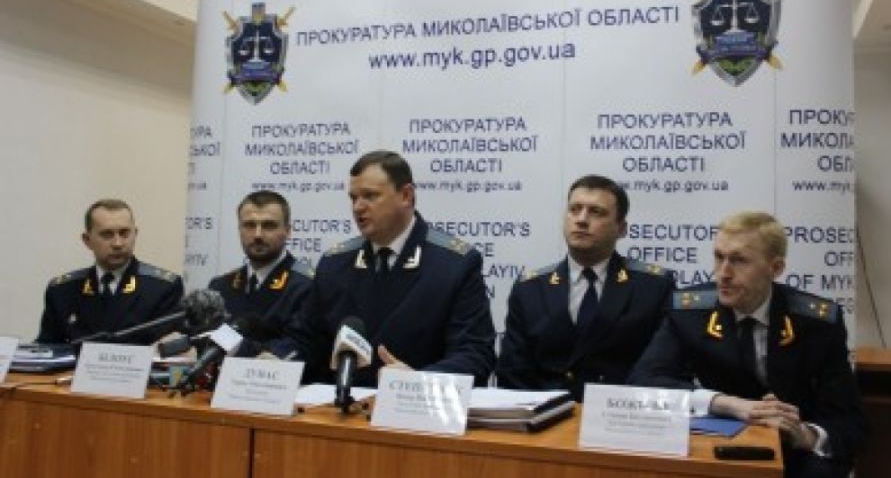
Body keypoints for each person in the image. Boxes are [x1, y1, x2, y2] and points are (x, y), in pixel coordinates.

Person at [629, 211, 866, 478]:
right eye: (719, 257)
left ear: (775, 268)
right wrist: (726, 403)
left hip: (789, 456)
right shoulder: (689, 313)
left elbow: (850, 423)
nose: (723, 273)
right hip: (713, 448)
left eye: (739, 260)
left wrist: (804, 434)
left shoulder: (817, 324)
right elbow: (643, 382)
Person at [276, 150, 496, 386]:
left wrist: (418, 381)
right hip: (343, 405)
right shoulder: (335, 264)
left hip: (417, 404)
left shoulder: (453, 265)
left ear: (406, 195)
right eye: (353, 198)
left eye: (370, 196)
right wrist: (274, 360)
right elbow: (305, 339)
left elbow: (474, 354)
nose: (358, 207)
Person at [496, 175, 674, 400]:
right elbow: (512, 374)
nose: (581, 220)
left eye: (596, 212)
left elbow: (660, 370)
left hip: (619, 414)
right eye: (574, 209)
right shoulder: (530, 289)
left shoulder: (653, 287)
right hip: (545, 415)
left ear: (621, 229)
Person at [37, 199, 184, 344]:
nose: (118, 243)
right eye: (107, 234)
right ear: (87, 240)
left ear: (135, 234)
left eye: (124, 233)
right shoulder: (62, 291)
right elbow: (47, 349)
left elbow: (170, 350)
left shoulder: (161, 289)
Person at [208, 191, 313, 354]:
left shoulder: (306, 286)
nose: (257, 235)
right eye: (249, 225)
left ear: (287, 231)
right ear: (239, 229)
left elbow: (295, 349)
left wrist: (233, 346)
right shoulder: (220, 287)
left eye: (268, 226)